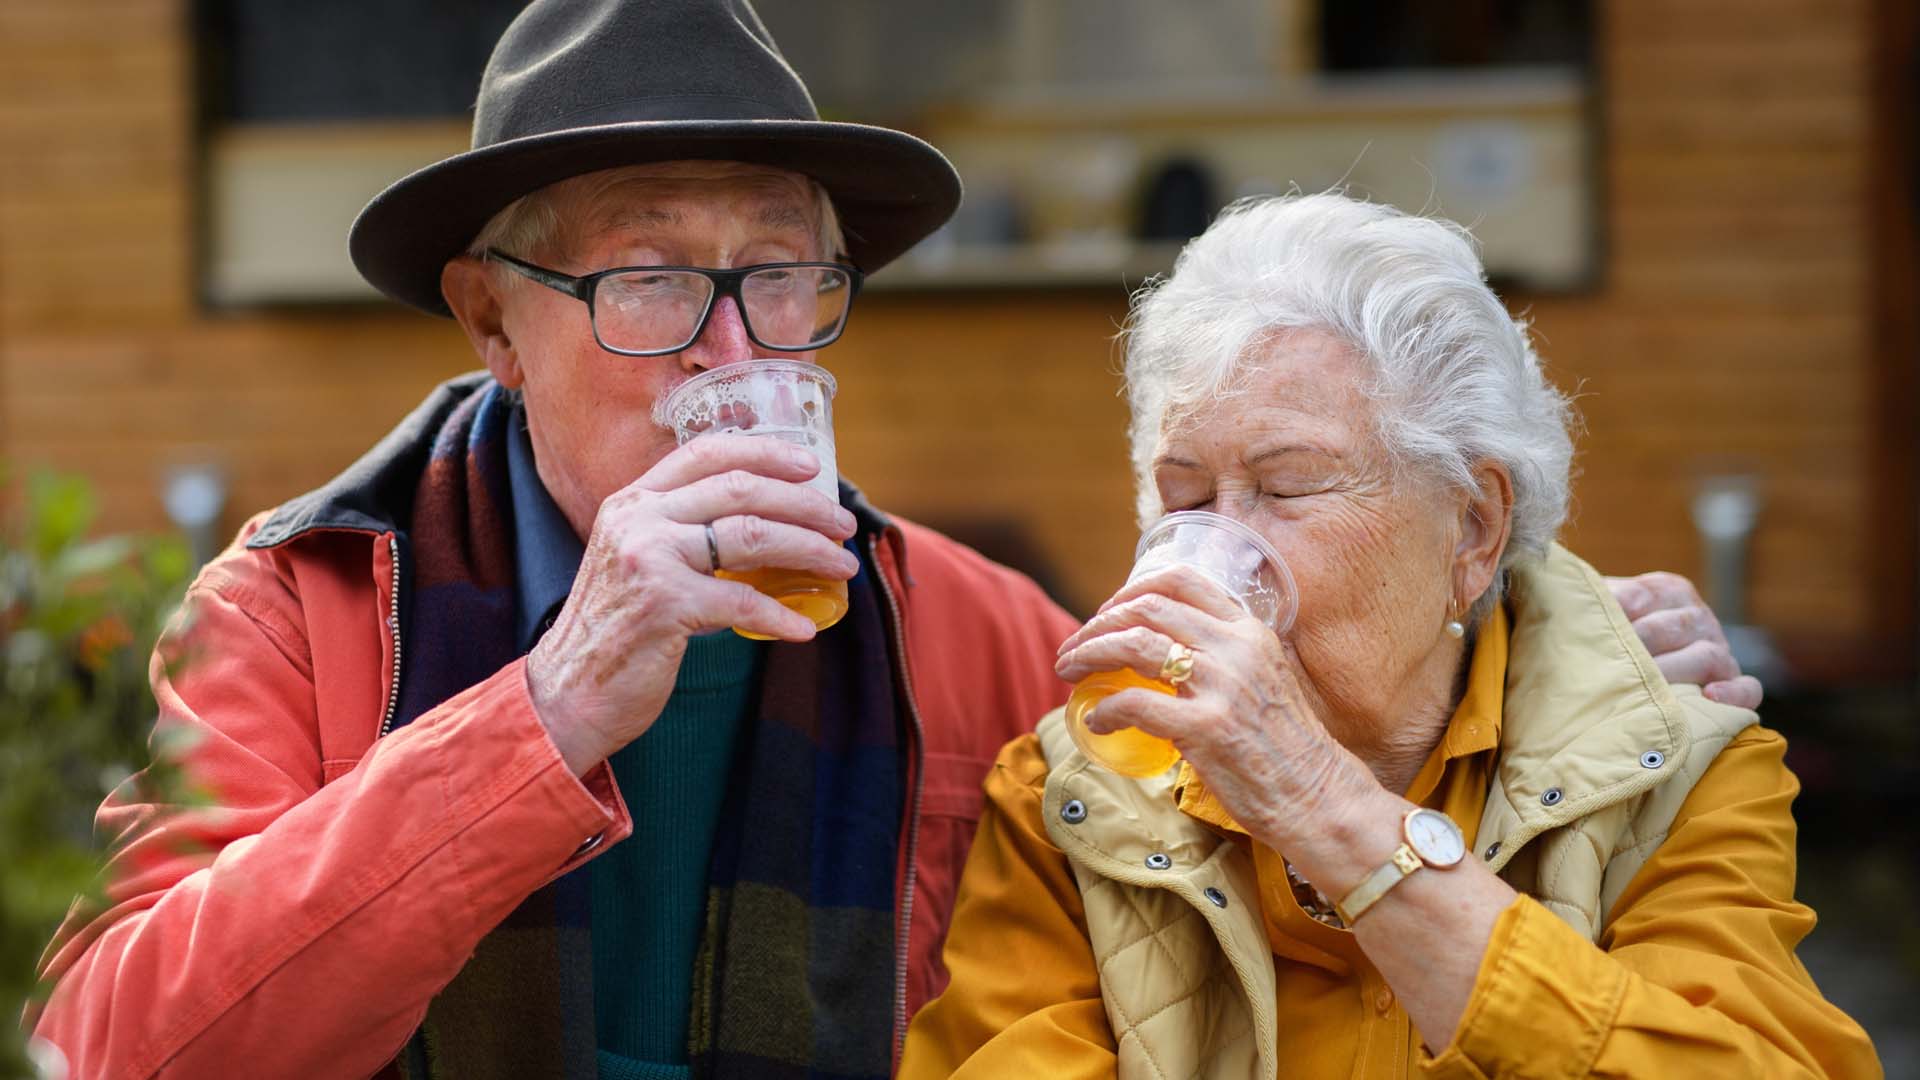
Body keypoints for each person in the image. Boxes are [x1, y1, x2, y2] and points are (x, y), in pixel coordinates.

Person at [25, 4, 1758, 1079]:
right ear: (491, 321)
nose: (734, 353)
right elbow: (118, 1052)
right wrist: (551, 706)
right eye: (645, 277)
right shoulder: (299, 608)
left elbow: (1239, 777)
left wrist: (1559, 647)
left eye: (778, 270)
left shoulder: (981, 630)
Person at [899, 194, 1880, 1079]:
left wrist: (1329, 810)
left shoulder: (1677, 772)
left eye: (1288, 488)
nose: (1223, 545)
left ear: (1472, 527)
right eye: (1186, 495)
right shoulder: (1069, 795)